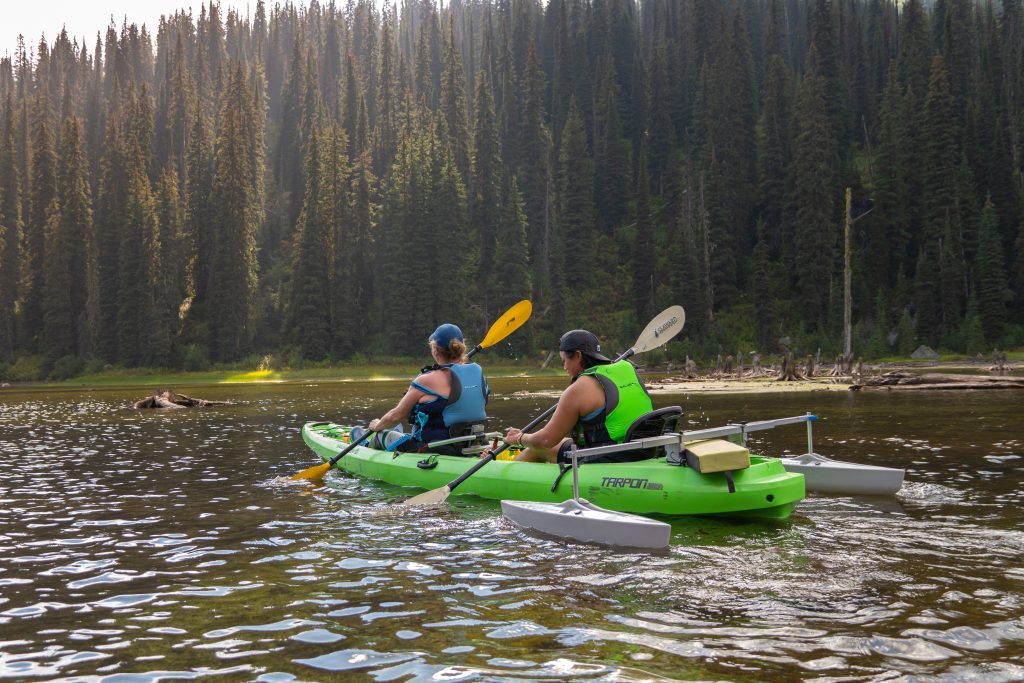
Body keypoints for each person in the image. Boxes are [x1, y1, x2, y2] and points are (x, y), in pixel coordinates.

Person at [502, 329, 653, 463]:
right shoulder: (627, 368)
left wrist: (519, 439)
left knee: (537, 449)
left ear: (578, 356)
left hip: (607, 456)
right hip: (642, 449)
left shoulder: (578, 389)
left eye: (565, 361)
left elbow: (546, 440)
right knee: (562, 442)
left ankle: (503, 476)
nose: (564, 367)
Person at [361, 323, 489, 455]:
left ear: (435, 349)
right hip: (473, 444)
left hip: (436, 447)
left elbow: (395, 416)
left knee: (380, 436)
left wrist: (377, 425)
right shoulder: (479, 373)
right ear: (462, 349)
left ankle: (363, 447)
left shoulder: (426, 380)